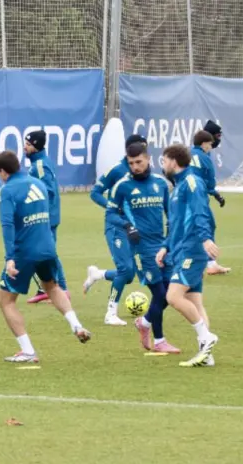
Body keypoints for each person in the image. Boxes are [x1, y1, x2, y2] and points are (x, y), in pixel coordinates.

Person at [0, 150, 91, 363]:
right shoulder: (38, 184)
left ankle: (28, 351)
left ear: (2, 171)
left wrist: (10, 258)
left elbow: (7, 224)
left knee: (6, 301)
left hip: (24, 252)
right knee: (52, 287)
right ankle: (76, 325)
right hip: (47, 247)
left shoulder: (6, 191)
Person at [110, 143, 179, 353]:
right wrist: (127, 226)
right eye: (131, 163)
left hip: (163, 247)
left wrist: (171, 237)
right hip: (141, 249)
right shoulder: (122, 186)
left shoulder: (160, 183)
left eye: (139, 162)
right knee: (160, 293)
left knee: (170, 294)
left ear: (148, 159)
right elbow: (111, 214)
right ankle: (159, 341)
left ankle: (145, 322)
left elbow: (170, 212)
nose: (135, 167)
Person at [156, 144, 220, 368]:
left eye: (164, 161)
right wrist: (165, 246)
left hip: (192, 249)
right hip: (181, 250)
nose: (163, 166)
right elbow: (175, 223)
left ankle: (206, 337)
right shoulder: (178, 186)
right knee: (195, 303)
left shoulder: (192, 182)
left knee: (173, 296)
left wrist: (205, 238)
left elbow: (201, 211)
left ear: (173, 161)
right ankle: (206, 355)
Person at [85, 133, 147, 325]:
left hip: (135, 227)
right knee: (125, 269)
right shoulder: (117, 170)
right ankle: (110, 313)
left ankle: (98, 274)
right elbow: (95, 193)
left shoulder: (144, 173)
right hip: (116, 226)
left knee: (128, 275)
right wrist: (112, 206)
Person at [23, 130, 69, 304]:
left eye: (28, 144)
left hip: (45, 217)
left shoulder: (40, 165)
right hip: (46, 216)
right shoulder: (38, 163)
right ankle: (47, 288)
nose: (24, 147)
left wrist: (39, 213)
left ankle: (61, 289)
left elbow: (48, 191)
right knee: (43, 253)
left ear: (36, 146)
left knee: (48, 253)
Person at [190, 130, 230, 275]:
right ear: (203, 144)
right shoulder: (204, 157)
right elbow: (210, 182)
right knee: (208, 226)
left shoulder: (185, 154)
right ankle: (211, 264)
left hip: (182, 197)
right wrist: (215, 194)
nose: (211, 147)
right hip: (199, 197)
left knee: (186, 228)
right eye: (210, 144)